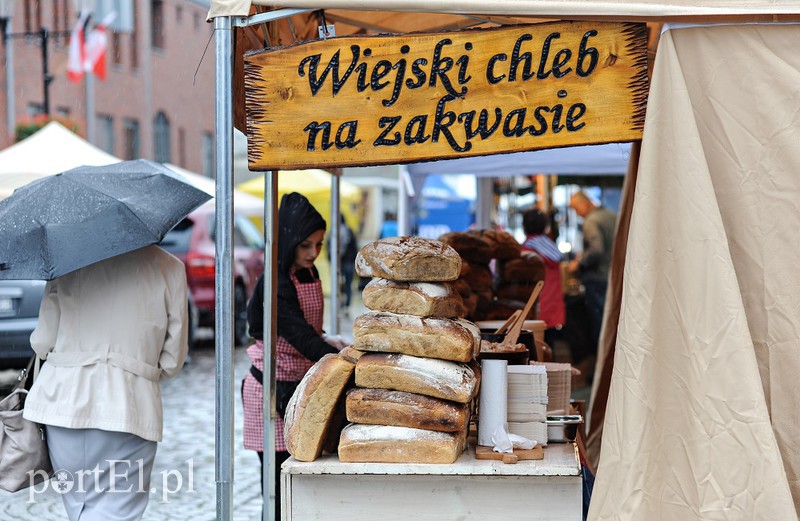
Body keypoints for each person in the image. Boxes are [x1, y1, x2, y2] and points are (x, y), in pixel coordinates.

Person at [23, 245, 188, 521]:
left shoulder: (67, 261)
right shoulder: (168, 267)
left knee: (79, 508)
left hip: (63, 405)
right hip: (130, 405)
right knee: (119, 512)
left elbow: (42, 341)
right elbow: (172, 361)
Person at [242, 192, 347, 520]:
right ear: (288, 241)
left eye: (318, 245)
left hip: (301, 384)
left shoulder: (307, 272)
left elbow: (308, 328)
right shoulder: (274, 282)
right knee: (277, 488)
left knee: (303, 483)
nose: (314, 253)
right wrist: (343, 361)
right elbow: (300, 336)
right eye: (306, 246)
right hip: (272, 390)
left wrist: (330, 339)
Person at [568, 191, 617, 358]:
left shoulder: (591, 221)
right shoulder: (611, 215)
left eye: (575, 208)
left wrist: (579, 263)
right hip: (614, 276)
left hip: (598, 278)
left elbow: (596, 249)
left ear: (584, 204)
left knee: (599, 326)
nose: (577, 213)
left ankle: (599, 366)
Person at [521, 208, 566, 349]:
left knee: (533, 352)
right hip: (553, 309)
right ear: (546, 228)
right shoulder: (552, 250)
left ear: (524, 228)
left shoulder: (525, 252)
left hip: (533, 310)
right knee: (549, 349)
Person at [328, 214, 359, 308]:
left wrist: (331, 260)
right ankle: (347, 302)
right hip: (349, 261)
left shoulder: (332, 232)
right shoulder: (349, 231)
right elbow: (354, 246)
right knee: (348, 283)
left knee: (337, 283)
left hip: (337, 262)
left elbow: (328, 247)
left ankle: (339, 301)